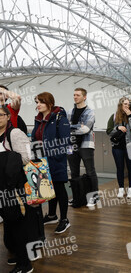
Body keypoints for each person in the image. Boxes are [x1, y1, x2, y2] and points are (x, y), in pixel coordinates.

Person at [0, 105, 44, 273]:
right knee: (10, 223)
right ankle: (19, 255)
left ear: (7, 116)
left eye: (1, 115)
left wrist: (10, 162)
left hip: (16, 188)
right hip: (3, 187)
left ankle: (25, 264)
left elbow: (28, 157)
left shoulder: (15, 134)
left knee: (19, 223)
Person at [31, 92, 71, 234]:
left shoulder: (60, 118)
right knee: (49, 188)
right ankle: (52, 215)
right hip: (41, 160)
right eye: (37, 102)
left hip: (55, 160)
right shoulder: (38, 119)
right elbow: (35, 138)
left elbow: (65, 140)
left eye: (41, 102)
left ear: (49, 103)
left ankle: (64, 219)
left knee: (59, 188)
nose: (38, 105)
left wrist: (54, 155)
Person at [67, 88, 99, 208]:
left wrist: (71, 128)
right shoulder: (70, 111)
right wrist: (77, 126)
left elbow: (86, 129)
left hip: (86, 145)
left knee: (90, 171)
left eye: (78, 95)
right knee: (73, 172)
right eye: (74, 95)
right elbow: (66, 128)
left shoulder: (90, 111)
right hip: (71, 145)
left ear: (84, 97)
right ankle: (77, 198)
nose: (75, 97)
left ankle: (94, 198)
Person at [106, 97, 131, 198]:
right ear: (120, 105)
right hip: (117, 146)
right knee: (119, 167)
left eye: (128, 104)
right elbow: (109, 131)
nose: (127, 106)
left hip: (130, 146)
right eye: (125, 104)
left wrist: (130, 116)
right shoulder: (114, 116)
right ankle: (121, 188)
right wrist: (117, 128)